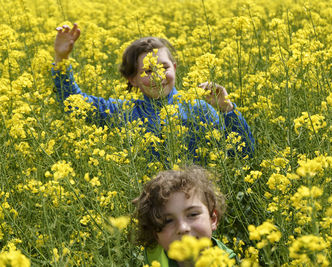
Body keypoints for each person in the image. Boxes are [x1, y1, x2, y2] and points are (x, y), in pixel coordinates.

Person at [52, 23, 254, 162]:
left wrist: (227, 109)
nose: (158, 77)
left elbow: (243, 153)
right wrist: (61, 59)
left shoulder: (199, 109)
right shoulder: (124, 111)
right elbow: (73, 101)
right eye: (148, 71)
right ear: (133, 79)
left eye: (164, 68)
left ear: (174, 67)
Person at [132, 166, 237, 266]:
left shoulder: (227, 262)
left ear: (213, 219)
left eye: (193, 214)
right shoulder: (154, 256)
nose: (182, 228)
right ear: (155, 235)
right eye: (168, 221)